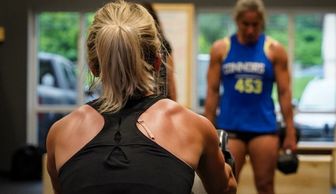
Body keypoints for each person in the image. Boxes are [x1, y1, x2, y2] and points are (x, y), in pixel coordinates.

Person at [45, 1, 236, 194]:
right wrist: (224, 162)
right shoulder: (194, 127)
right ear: (157, 61)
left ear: (93, 66)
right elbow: (224, 189)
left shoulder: (60, 134)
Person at [204, 0, 297, 193]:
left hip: (263, 128)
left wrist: (290, 133)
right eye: (245, 24)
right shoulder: (221, 49)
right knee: (225, 186)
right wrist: (207, 128)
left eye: (255, 25)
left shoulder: (274, 50)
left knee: (265, 185)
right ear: (237, 21)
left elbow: (284, 93)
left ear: (261, 23)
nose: (250, 30)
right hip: (230, 128)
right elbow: (212, 92)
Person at [140, 2, 177, 101]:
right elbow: (170, 79)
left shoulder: (163, 43)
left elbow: (170, 78)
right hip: (158, 101)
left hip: (154, 100)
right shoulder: (163, 43)